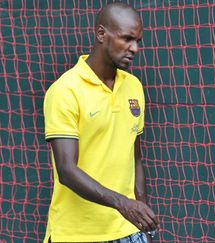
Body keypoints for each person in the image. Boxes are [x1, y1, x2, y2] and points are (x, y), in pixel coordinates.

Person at [43, 2, 159, 243]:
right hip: (76, 234)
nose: (134, 48)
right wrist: (122, 204)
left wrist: (143, 220)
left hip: (129, 232)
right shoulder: (65, 91)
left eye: (137, 41)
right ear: (101, 34)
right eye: (127, 39)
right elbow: (66, 170)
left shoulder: (134, 87)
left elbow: (135, 158)